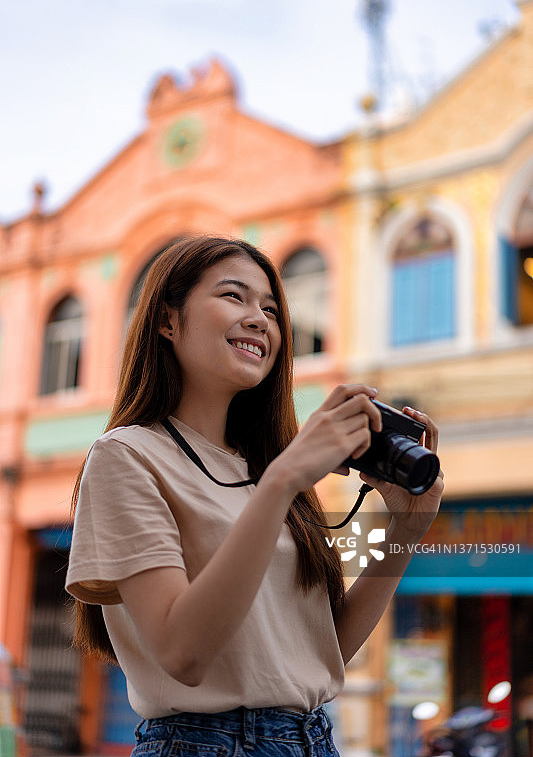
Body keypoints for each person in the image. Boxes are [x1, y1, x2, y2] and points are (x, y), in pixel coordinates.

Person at [66, 235, 444, 757]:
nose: (259, 319)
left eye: (270, 308)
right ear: (167, 321)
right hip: (205, 744)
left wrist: (404, 532)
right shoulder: (126, 456)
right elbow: (183, 653)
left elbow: (323, 652)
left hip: (313, 739)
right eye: (233, 296)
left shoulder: (266, 468)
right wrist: (284, 480)